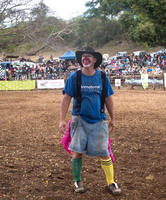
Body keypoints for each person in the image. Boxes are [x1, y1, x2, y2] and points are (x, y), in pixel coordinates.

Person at [59, 47, 121, 195]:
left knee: (104, 152)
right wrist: (62, 119)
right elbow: (66, 98)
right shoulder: (75, 77)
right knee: (77, 152)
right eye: (83, 56)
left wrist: (113, 118)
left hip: (99, 120)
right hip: (79, 119)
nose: (84, 59)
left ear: (94, 60)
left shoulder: (103, 77)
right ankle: (77, 181)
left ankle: (111, 182)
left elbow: (108, 98)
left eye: (88, 56)